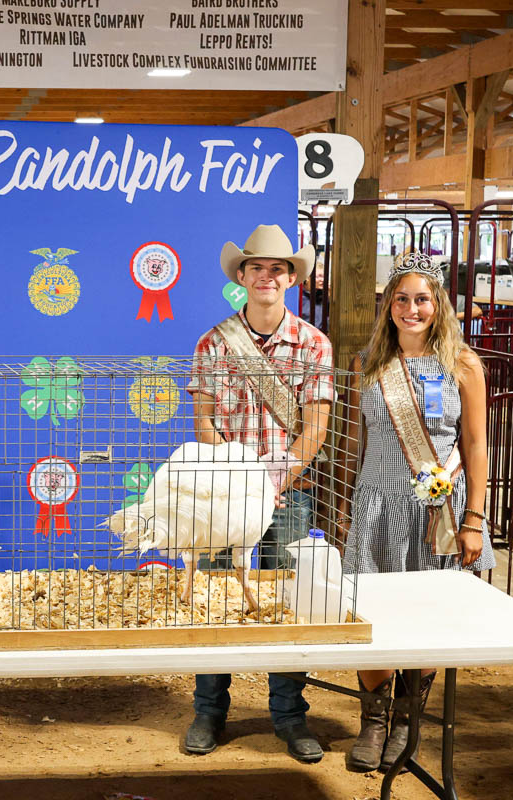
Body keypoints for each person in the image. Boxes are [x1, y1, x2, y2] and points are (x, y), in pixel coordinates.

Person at [185, 224, 335, 763]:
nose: (267, 276)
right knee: (217, 595)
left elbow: (315, 427)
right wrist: (240, 481)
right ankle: (208, 710)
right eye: (257, 268)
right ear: (242, 276)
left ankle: (290, 716)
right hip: (224, 494)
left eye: (277, 268)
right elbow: (204, 420)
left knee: (287, 598)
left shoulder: (314, 344)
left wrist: (274, 482)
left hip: (287, 494)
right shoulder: (213, 342)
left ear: (291, 278)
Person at [340, 252, 495, 773]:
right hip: (376, 505)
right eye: (401, 299)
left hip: (437, 509)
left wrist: (474, 519)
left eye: (422, 299)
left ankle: (407, 722)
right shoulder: (368, 363)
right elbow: (355, 442)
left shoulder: (463, 364)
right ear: (388, 306)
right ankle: (373, 722)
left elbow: (476, 444)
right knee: (369, 613)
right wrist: (346, 506)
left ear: (438, 304)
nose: (412, 309)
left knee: (430, 614)